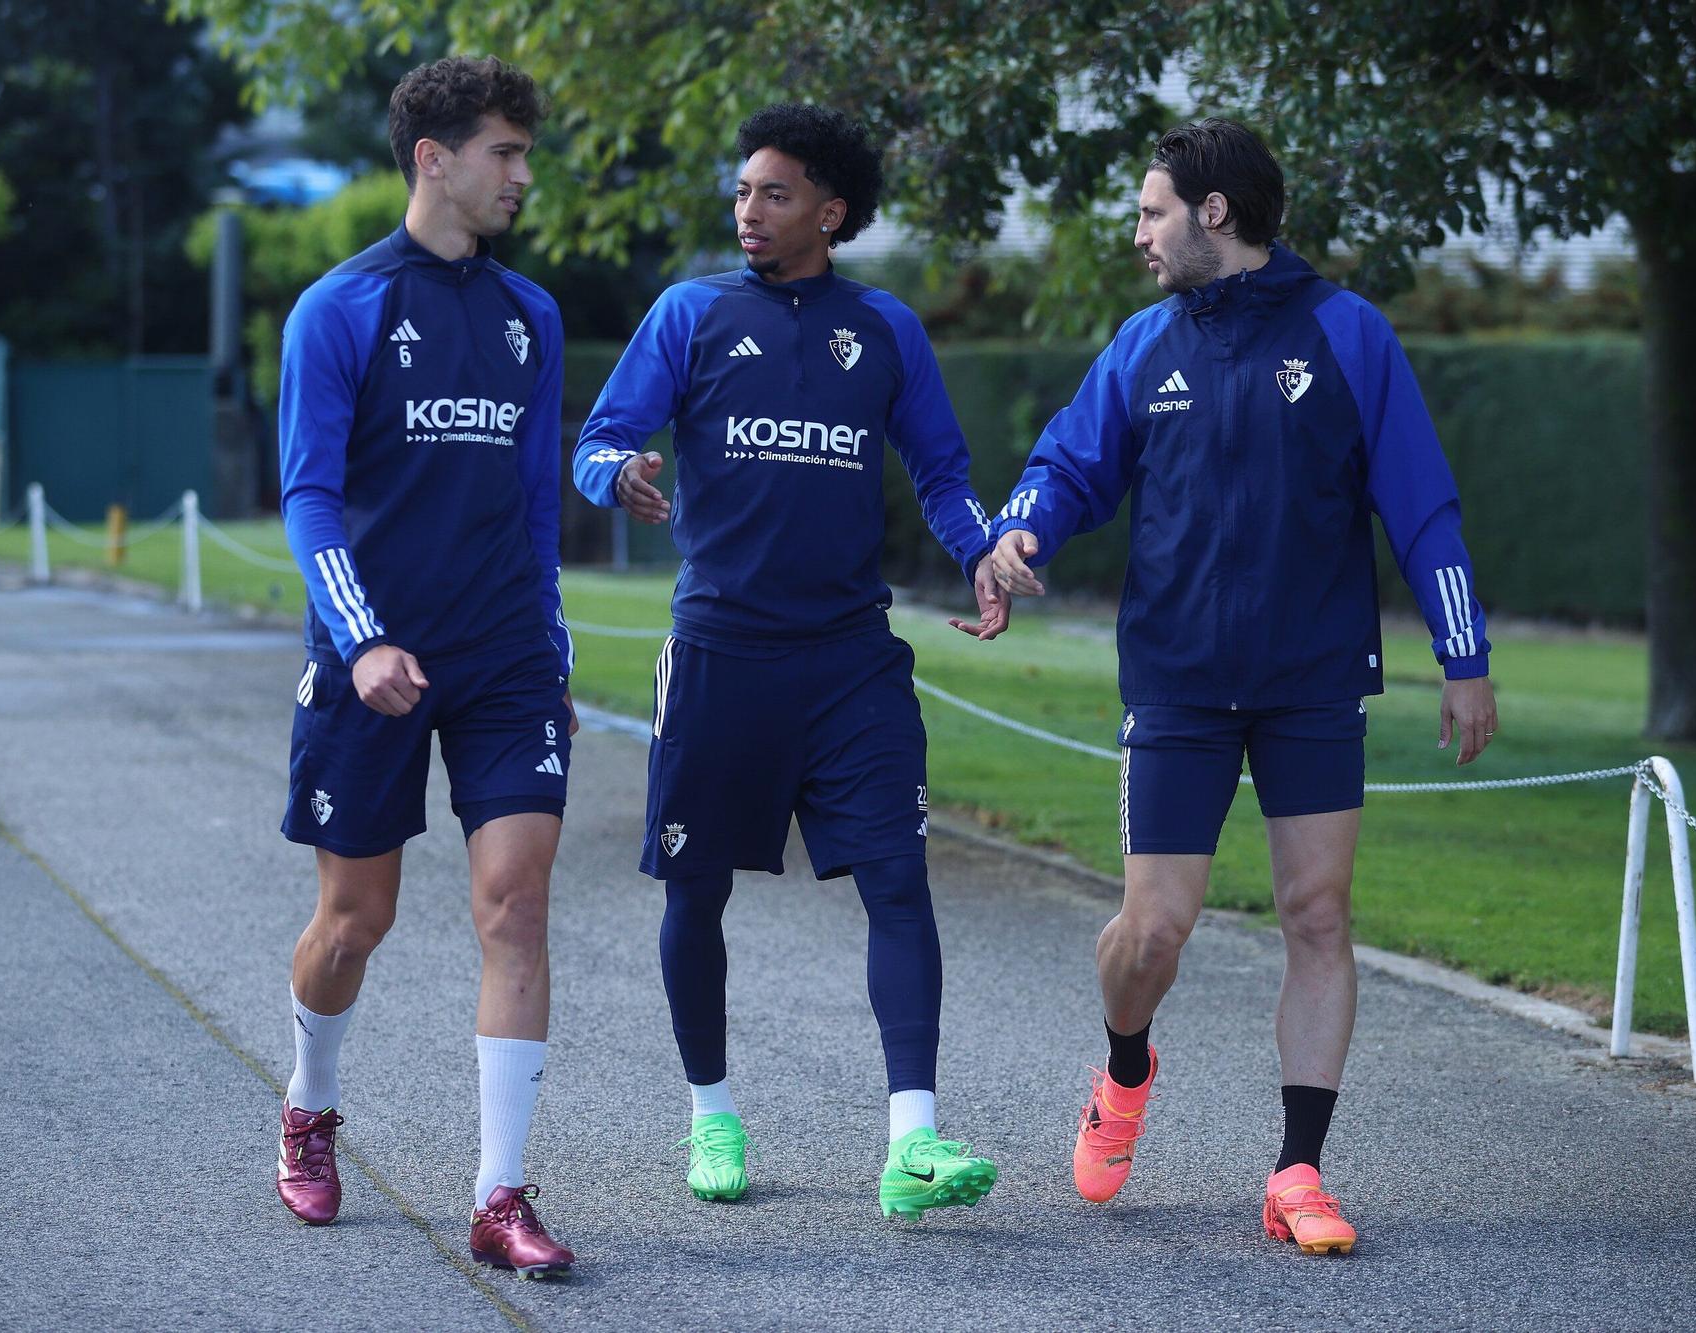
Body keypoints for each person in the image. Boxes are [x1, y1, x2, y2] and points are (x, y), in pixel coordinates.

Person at [983, 118, 1499, 1255]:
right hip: (1173, 680)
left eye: (1150, 211)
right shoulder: (1141, 345)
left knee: (1317, 915)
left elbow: (1421, 505)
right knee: (1152, 933)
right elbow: (1066, 465)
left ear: (1213, 212)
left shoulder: (1348, 336)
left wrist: (1463, 655)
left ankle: (1296, 1169)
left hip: (1312, 680)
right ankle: (1123, 1068)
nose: (1138, 235)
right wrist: (1018, 534)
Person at [572, 103, 1008, 1220]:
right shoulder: (690, 313)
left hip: (850, 660)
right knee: (695, 887)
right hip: (721, 652)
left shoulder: (887, 329)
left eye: (772, 193)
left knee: (899, 880)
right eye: (741, 192)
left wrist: (979, 555)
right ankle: (709, 1113)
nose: (747, 212)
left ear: (831, 210)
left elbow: (944, 472)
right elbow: (595, 441)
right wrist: (616, 470)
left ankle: (910, 1143)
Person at [273, 56, 577, 1278]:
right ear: (432, 158)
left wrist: (549, 653)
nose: (521, 176)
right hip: (372, 659)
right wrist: (362, 641)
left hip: (502, 654)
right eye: (503, 153)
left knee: (515, 904)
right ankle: (308, 1103)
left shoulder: (530, 317)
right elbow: (308, 495)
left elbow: (535, 510)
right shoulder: (338, 309)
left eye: (524, 154)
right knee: (356, 920)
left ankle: (500, 1196)